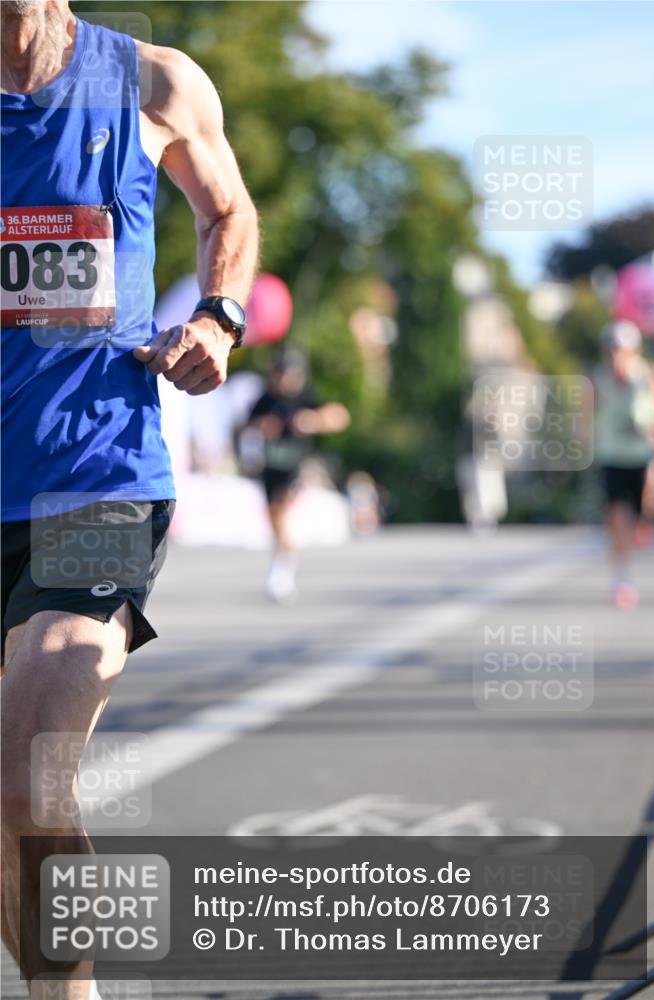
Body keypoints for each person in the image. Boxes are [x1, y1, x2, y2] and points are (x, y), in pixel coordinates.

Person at [1, 2, 260, 997]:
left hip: (97, 479)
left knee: (27, 774)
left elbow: (228, 212)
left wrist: (218, 317)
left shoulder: (153, 82)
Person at [244, 350, 350, 602]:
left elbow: (339, 416)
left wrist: (314, 421)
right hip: (271, 468)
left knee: (282, 515)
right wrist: (263, 427)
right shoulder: (265, 400)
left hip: (296, 468)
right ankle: (282, 564)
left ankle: (281, 574)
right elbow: (247, 426)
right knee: (275, 520)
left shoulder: (305, 399)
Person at [594, 321, 654, 609]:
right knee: (619, 519)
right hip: (613, 457)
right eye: (612, 350)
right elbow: (584, 415)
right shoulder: (597, 380)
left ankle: (646, 523)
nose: (616, 356)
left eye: (621, 350)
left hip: (644, 456)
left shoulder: (650, 375)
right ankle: (622, 579)